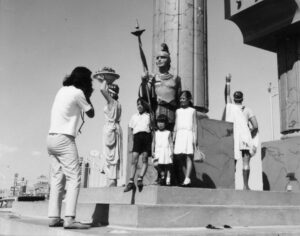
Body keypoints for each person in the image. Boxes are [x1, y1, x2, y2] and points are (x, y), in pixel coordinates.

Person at [47, 66, 94, 229]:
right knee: (74, 177)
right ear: (85, 80)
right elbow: (91, 113)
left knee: (57, 178)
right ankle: (69, 219)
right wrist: (88, 95)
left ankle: (53, 217)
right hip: (64, 138)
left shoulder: (62, 90)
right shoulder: (78, 93)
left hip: (50, 138)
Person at [224, 74, 258, 190]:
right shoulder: (248, 110)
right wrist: (250, 134)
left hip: (233, 136)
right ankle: (245, 185)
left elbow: (227, 94)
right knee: (246, 161)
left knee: (232, 161)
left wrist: (228, 82)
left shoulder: (230, 107)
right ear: (242, 98)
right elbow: (255, 126)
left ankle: (231, 185)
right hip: (244, 137)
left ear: (234, 98)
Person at [140, 43, 182, 131]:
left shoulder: (176, 79)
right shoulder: (153, 78)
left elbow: (179, 100)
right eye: (157, 58)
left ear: (169, 60)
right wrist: (144, 82)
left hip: (172, 114)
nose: (159, 60)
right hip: (157, 113)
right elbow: (144, 96)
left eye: (163, 57)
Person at [95, 67, 122, 187]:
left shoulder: (112, 102)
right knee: (111, 158)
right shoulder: (116, 104)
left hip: (111, 129)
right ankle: (111, 181)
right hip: (112, 129)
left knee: (111, 158)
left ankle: (111, 182)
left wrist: (103, 80)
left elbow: (102, 90)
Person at [124, 98, 151, 192]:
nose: (139, 106)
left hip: (146, 137)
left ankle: (140, 178)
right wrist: (131, 142)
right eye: (138, 104)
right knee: (134, 159)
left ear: (144, 105)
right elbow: (131, 130)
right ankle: (131, 181)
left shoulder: (149, 116)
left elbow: (152, 130)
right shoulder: (134, 116)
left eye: (141, 104)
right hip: (137, 137)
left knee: (145, 158)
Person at [173, 91, 198, 186]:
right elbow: (176, 124)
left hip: (189, 133)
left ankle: (187, 178)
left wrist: (195, 138)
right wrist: (174, 136)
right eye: (180, 98)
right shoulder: (177, 111)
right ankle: (185, 177)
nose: (181, 100)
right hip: (179, 134)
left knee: (188, 156)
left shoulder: (192, 110)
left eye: (183, 98)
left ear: (188, 99)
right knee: (179, 157)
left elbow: (195, 125)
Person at [152, 114, 174, 186]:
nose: (160, 124)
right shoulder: (156, 132)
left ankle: (168, 178)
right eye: (159, 122)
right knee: (156, 164)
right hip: (158, 150)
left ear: (165, 123)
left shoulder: (168, 132)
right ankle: (162, 173)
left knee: (168, 165)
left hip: (166, 150)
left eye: (162, 122)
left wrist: (172, 151)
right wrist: (152, 151)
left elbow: (170, 142)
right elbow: (153, 142)